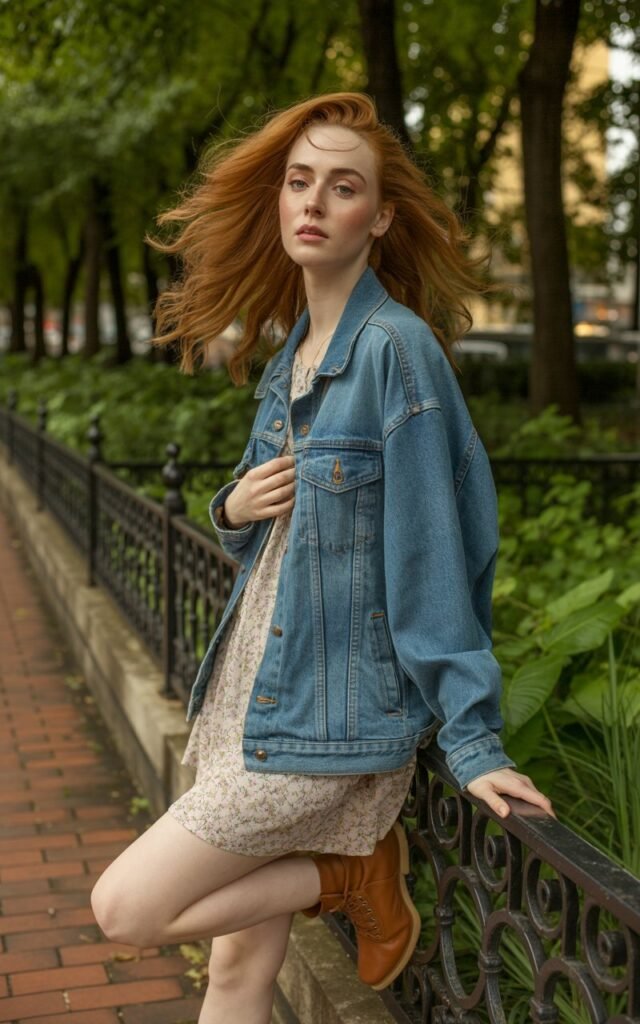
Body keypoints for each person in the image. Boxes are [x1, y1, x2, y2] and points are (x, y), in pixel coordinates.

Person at [90, 92, 556, 1024]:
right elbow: (273, 523)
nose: (313, 202)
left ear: (378, 217)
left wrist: (471, 740)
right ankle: (341, 876)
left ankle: (347, 876)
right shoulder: (295, 353)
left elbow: (437, 558)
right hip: (256, 685)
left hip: (326, 721)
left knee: (126, 907)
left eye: (343, 188)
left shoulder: (397, 354)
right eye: (299, 182)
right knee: (233, 977)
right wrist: (230, 503)